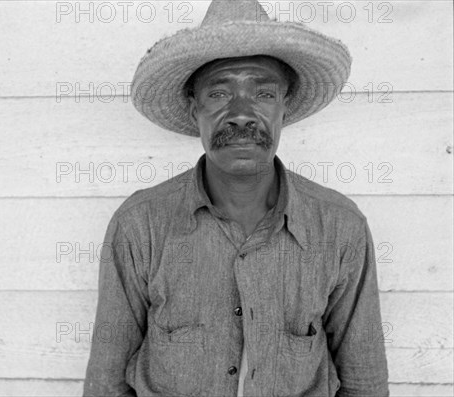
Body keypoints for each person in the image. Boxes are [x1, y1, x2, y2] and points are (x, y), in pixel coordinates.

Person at [83, 0, 389, 396]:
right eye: (219, 93)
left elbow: (365, 380)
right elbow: (106, 382)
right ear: (195, 110)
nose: (241, 113)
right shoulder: (140, 224)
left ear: (285, 105)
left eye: (262, 93)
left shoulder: (339, 227)